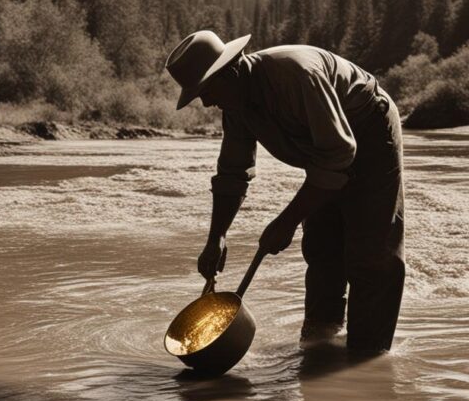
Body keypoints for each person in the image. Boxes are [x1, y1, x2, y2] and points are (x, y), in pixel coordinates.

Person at [165, 30, 405, 355]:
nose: (206, 101)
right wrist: (216, 237)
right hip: (326, 152)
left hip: (368, 126)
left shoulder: (295, 75)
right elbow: (233, 174)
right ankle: (319, 347)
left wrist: (287, 221)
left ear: (231, 70)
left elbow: (339, 155)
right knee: (322, 249)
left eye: (207, 90)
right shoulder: (235, 104)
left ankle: (368, 359)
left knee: (371, 255)